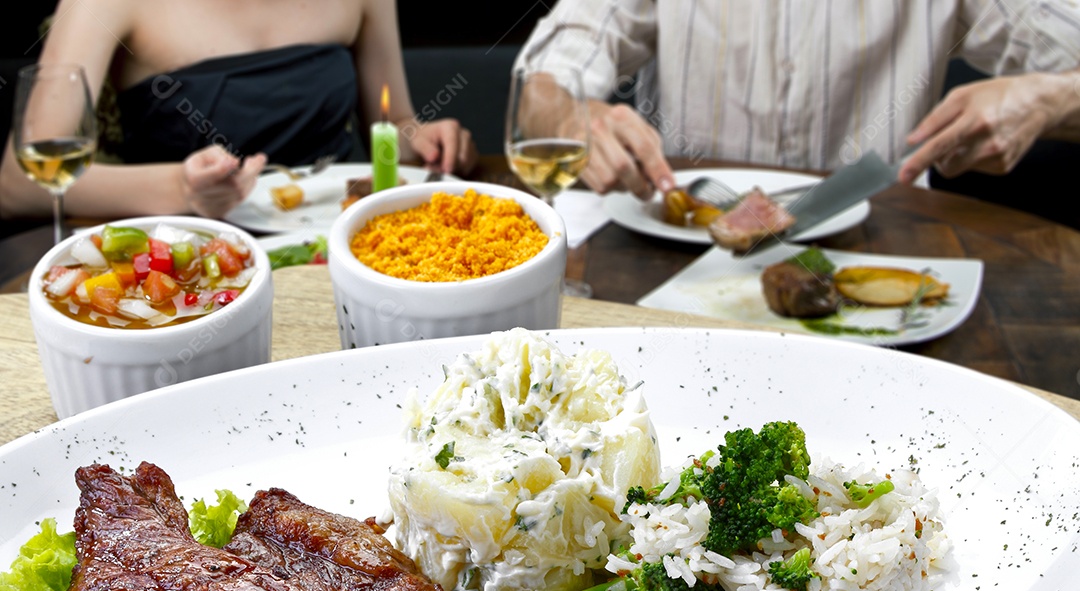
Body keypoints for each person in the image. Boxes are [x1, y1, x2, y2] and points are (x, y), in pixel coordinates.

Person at [514, 0, 1080, 199]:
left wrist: (1051, 98)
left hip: (878, 259)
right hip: (672, 256)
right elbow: (552, 68)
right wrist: (570, 114)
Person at [0, 0, 477, 221]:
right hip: (191, 259)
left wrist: (422, 137)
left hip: (344, 245)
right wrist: (184, 189)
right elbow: (20, 183)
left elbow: (392, 125)